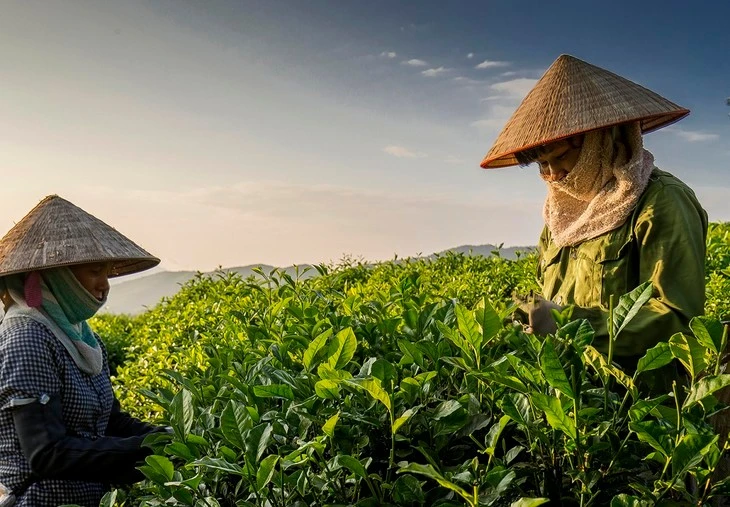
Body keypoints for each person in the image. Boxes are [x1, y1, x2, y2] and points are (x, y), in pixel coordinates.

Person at [480, 55, 708, 392]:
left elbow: (676, 318)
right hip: (573, 397)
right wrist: (527, 308)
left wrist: (567, 322)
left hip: (639, 406)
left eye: (560, 157)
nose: (553, 175)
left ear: (603, 139)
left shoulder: (662, 202)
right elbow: (552, 296)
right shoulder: (560, 215)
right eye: (542, 165)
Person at [0, 195, 164, 506]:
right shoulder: (27, 337)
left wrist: (169, 436)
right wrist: (149, 449)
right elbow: (46, 453)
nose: (105, 285)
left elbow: (110, 421)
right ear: (57, 274)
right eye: (94, 272)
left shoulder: (83, 338)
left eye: (107, 272)